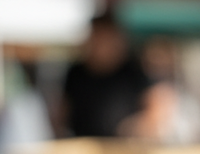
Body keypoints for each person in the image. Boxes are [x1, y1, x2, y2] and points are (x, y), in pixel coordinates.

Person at [61, 11, 154, 139]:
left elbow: (157, 103)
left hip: (122, 146)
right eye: (96, 37)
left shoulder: (132, 71)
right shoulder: (76, 72)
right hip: (83, 143)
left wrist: (136, 126)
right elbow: (62, 109)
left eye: (104, 37)